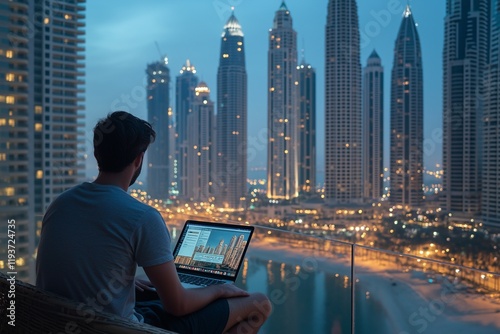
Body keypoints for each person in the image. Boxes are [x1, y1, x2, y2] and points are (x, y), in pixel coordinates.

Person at [36, 111, 272, 333]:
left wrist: (123, 282)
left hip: (60, 324)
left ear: (97, 154)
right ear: (139, 160)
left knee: (153, 290)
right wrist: (220, 289)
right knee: (259, 303)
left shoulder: (61, 203)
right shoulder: (141, 216)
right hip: (124, 329)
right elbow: (177, 305)